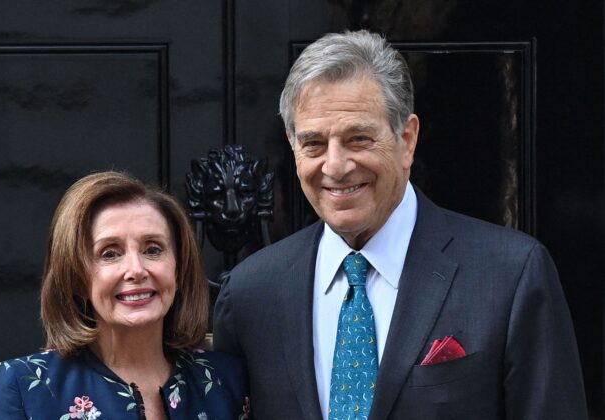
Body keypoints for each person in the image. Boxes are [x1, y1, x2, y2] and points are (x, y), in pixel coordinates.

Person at [213, 30, 588, 419]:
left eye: (358, 139)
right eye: (314, 144)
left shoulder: (510, 276)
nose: (335, 166)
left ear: (406, 139)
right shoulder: (250, 294)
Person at [0, 171, 250, 420]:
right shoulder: (22, 387)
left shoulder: (227, 382)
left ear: (179, 269)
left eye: (153, 249)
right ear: (76, 278)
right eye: (110, 253)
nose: (136, 270)